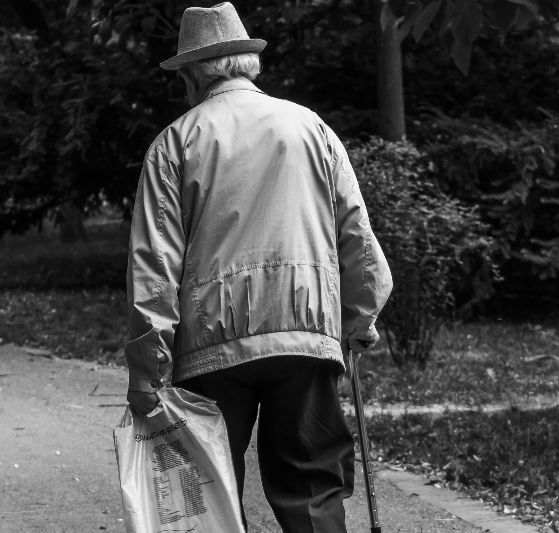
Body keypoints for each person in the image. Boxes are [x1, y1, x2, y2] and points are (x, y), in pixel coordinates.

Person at [123, 3, 393, 532]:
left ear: (196, 73)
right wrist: (360, 319)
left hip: (210, 347)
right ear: (245, 62)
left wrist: (148, 379)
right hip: (306, 335)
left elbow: (154, 269)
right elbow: (355, 234)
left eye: (183, 77)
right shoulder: (312, 128)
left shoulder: (175, 143)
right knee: (313, 489)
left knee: (210, 495)